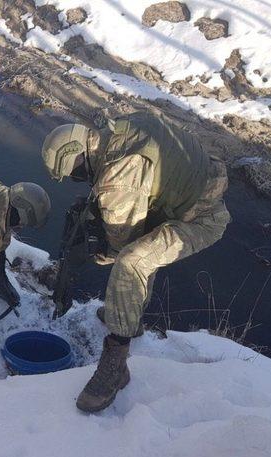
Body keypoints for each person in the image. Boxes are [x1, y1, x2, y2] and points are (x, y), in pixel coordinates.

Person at [42, 111, 231, 412]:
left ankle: (116, 364)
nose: (79, 179)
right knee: (143, 248)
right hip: (197, 189)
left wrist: (96, 252)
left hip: (203, 217)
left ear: (79, 154)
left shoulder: (119, 178)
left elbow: (122, 247)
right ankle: (132, 320)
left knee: (132, 261)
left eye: (77, 172)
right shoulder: (119, 131)